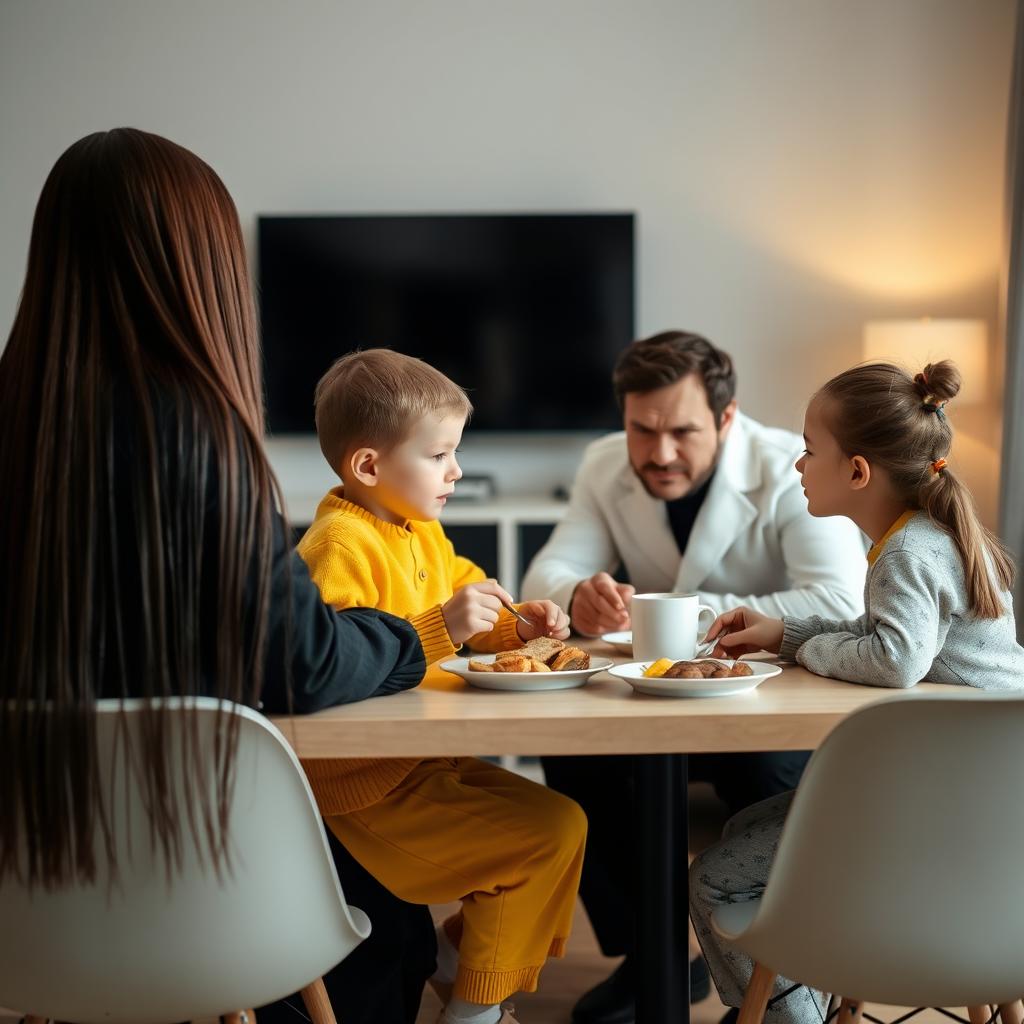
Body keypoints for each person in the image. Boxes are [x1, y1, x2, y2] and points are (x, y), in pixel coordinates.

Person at [0, 129, 437, 1024]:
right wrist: (409, 638)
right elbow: (301, 666)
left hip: (27, 910)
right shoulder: (199, 442)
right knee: (387, 921)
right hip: (201, 903)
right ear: (198, 268)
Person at [521, 330, 868, 1024]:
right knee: (572, 748)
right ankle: (651, 959)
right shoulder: (602, 465)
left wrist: (685, 616)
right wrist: (577, 596)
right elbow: (544, 576)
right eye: (641, 430)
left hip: (765, 704)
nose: (660, 453)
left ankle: (785, 970)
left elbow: (841, 599)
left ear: (727, 418)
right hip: (650, 699)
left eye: (682, 430)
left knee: (770, 768)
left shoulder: (786, 468)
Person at [691, 358, 1024, 1024]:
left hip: (932, 810)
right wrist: (782, 632)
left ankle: (792, 1016)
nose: (797, 466)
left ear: (857, 471)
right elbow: (882, 633)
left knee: (714, 876)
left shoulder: (907, 553)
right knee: (741, 826)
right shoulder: (924, 540)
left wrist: (808, 648)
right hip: (987, 811)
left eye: (809, 452)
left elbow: (896, 659)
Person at [296, 347, 588, 1024]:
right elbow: (339, 665)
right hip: (365, 786)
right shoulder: (337, 544)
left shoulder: (420, 529)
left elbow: (470, 607)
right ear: (369, 466)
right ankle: (475, 1010)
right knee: (539, 839)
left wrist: (515, 627)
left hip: (427, 764)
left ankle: (463, 964)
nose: (456, 470)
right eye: (438, 455)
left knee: (564, 821)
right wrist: (440, 625)